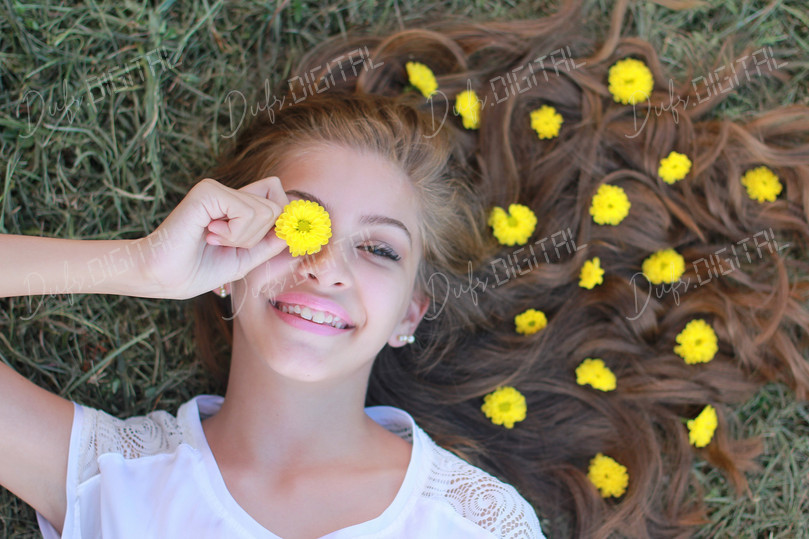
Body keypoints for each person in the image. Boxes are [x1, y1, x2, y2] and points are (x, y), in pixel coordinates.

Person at [3, 0, 809, 537]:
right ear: (224, 259)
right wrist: (143, 264)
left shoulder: (477, 522)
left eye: (379, 247)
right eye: (296, 224)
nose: (324, 264)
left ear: (410, 313)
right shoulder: (107, 473)